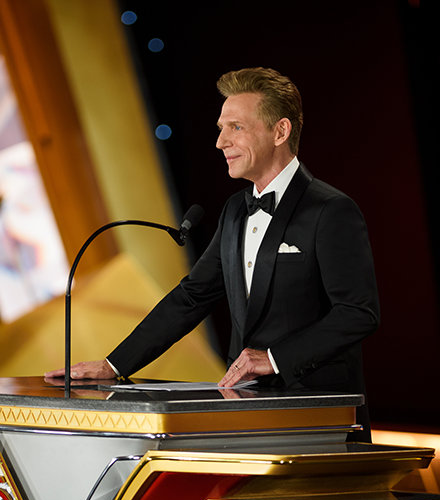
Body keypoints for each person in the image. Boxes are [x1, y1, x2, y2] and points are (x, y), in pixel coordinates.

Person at [46, 67, 379, 440]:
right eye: (221, 129)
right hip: (244, 411)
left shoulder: (331, 210)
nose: (221, 142)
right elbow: (192, 296)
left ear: (280, 131)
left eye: (235, 127)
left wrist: (274, 359)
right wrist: (114, 365)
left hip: (321, 418)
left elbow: (358, 313)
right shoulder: (235, 210)